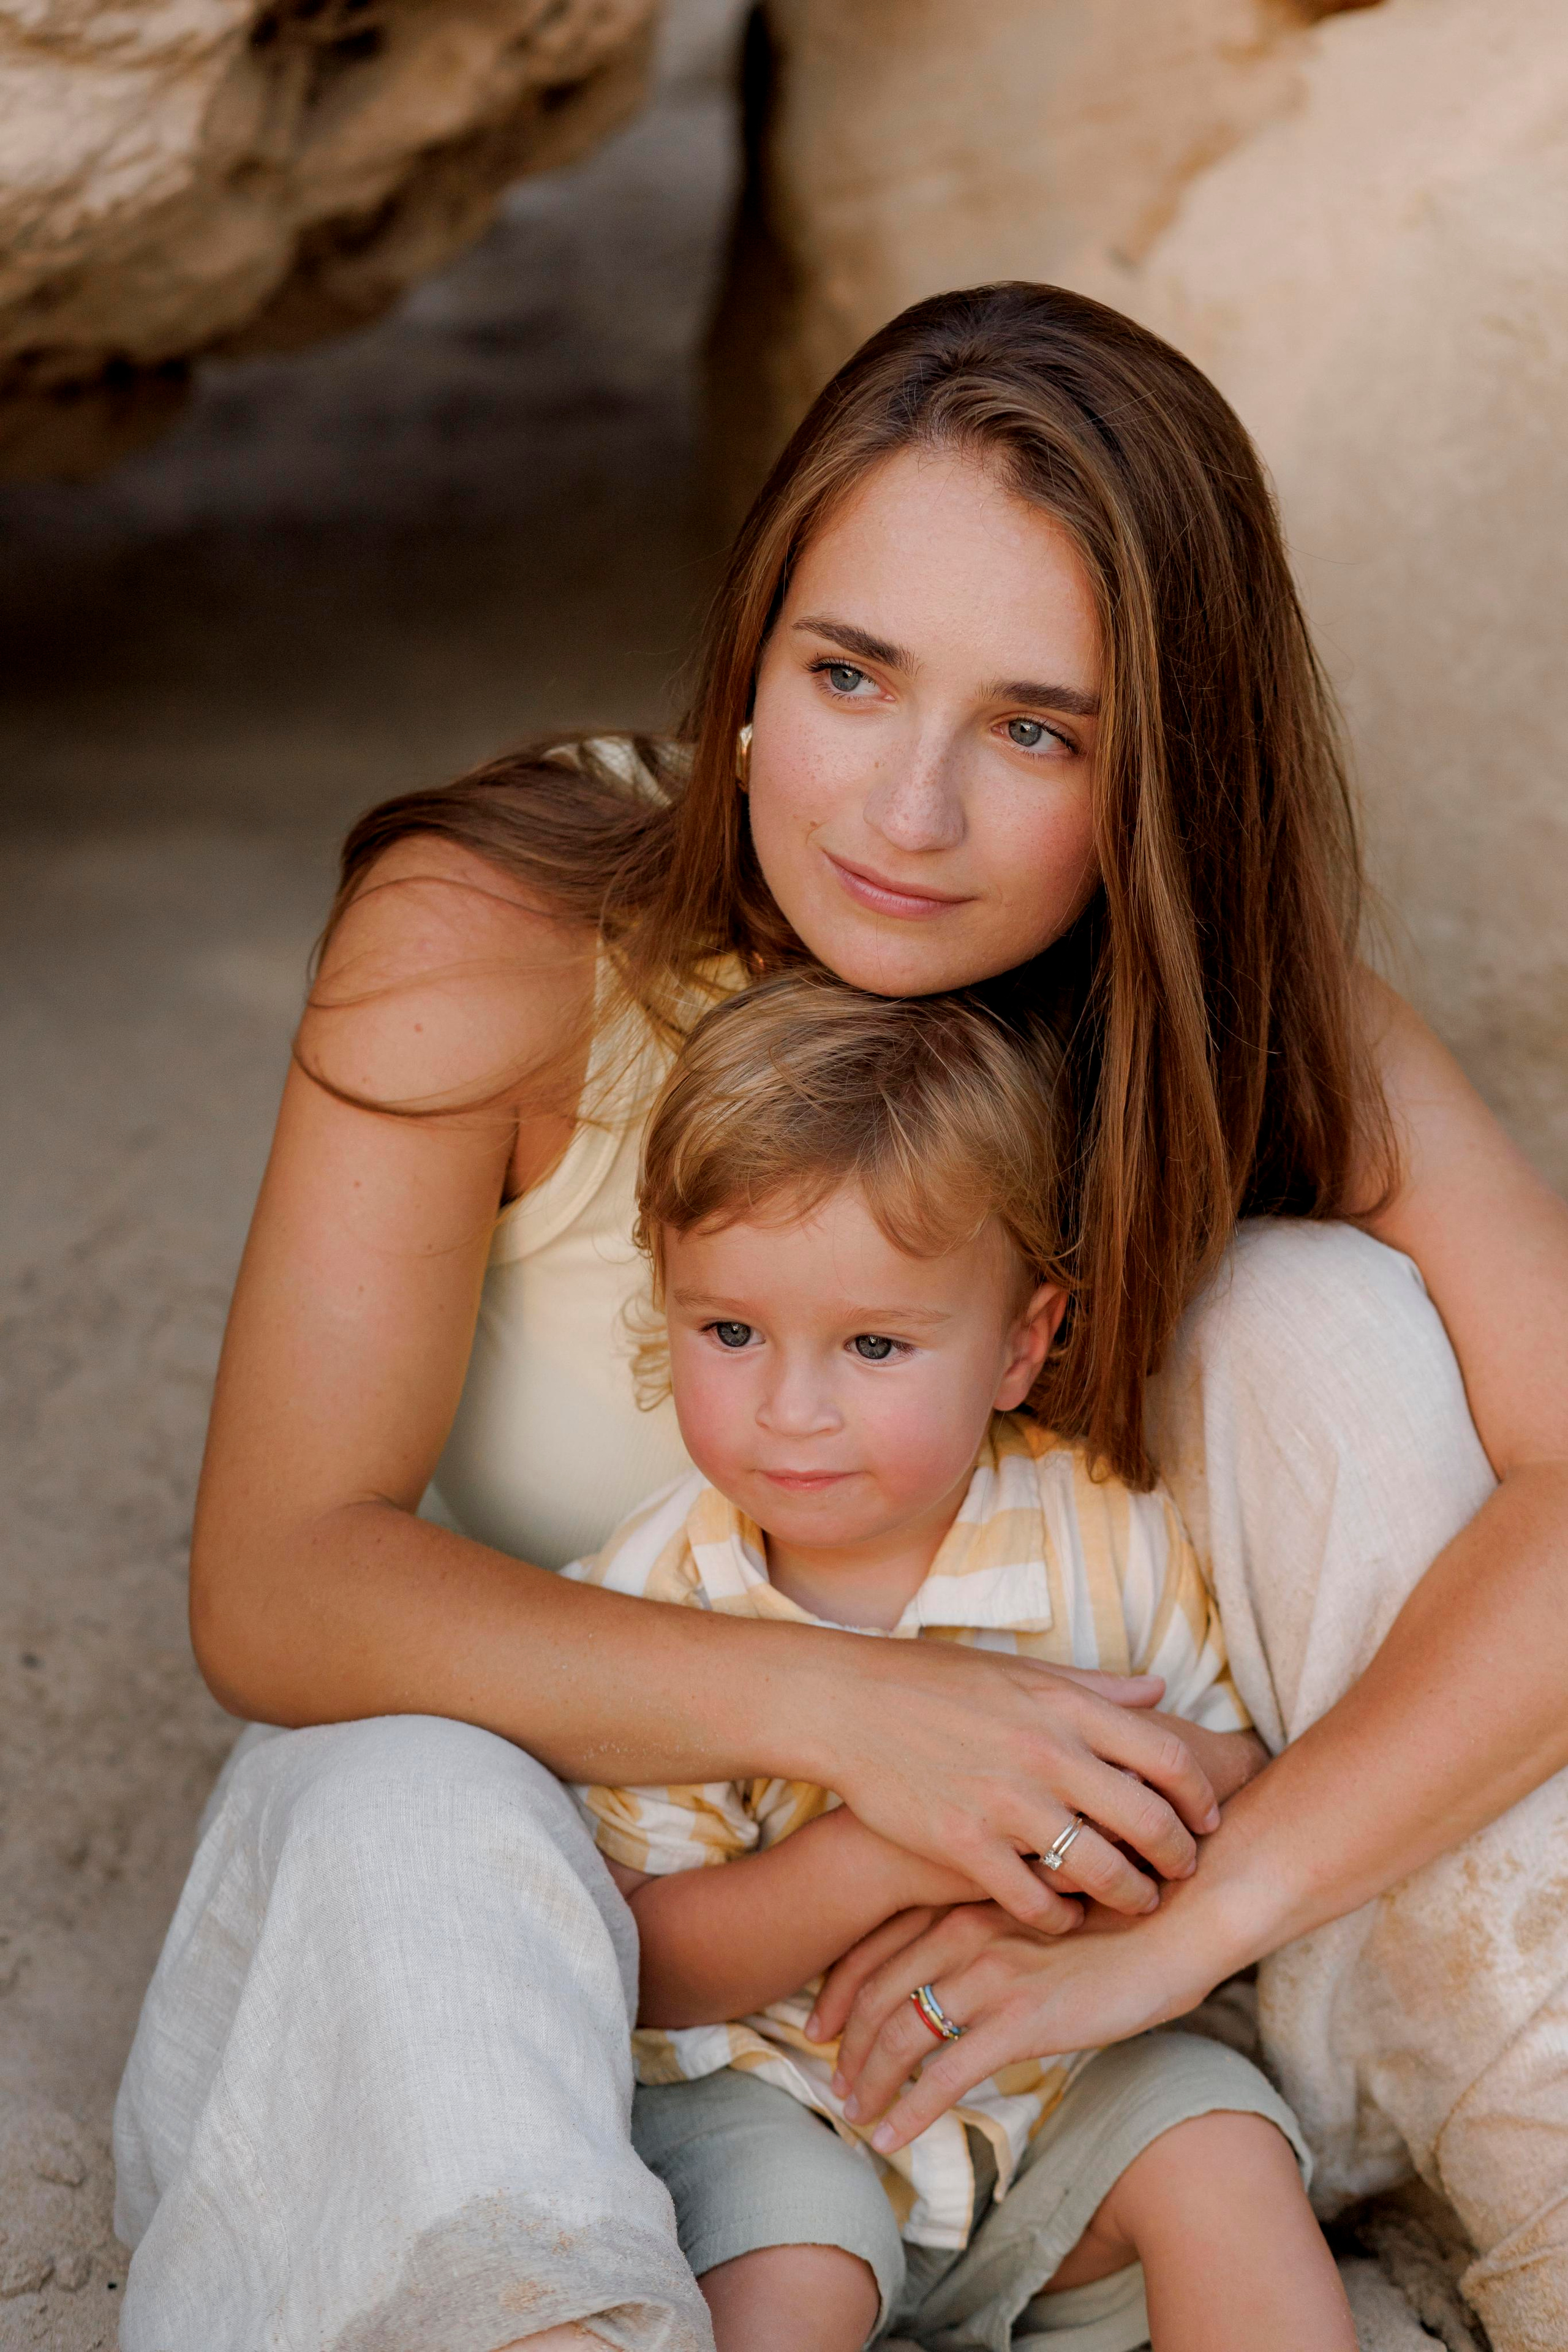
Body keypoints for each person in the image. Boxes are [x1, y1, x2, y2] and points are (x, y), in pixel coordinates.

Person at [113, 281, 1568, 2352]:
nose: (905, 812)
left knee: (1316, 1316)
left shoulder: (1241, 1023)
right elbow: (274, 1586)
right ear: (754, 660)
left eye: (1037, 728)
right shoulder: (497, 933)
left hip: (1062, 2037)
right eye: (853, 674)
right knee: (395, 1789)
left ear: (1163, 772)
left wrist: (1192, 1934)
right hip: (562, 1996)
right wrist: (856, 1716)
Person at [564, 967, 1348, 2352]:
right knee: (791, 2275)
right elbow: (650, 1965)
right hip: (782, 2103)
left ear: (1018, 1342)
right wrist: (896, 1850)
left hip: (1059, 2095)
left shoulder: (1108, 1539)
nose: (789, 1411)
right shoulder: (658, 1598)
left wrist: (1116, 1818)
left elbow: (1235, 1772)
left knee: (1219, 2152)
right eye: (728, 1331)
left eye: (872, 1344)